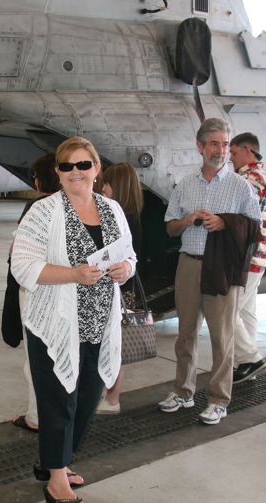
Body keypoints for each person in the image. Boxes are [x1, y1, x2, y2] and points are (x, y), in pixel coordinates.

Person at [11, 136, 136, 503]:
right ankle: (56, 478)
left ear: (97, 169)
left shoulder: (112, 209)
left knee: (87, 397)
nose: (75, 173)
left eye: (84, 165)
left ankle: (58, 460)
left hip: (100, 322)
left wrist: (125, 269)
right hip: (56, 324)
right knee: (58, 400)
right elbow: (23, 266)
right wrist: (72, 274)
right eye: (67, 167)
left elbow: (129, 254)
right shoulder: (43, 212)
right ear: (58, 173)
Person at [158, 118, 260, 425]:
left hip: (222, 269)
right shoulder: (185, 184)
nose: (220, 150)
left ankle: (218, 399)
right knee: (185, 334)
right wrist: (188, 220)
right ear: (200, 146)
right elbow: (170, 228)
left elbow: (256, 229)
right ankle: (183, 391)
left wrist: (225, 222)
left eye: (225, 144)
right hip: (189, 263)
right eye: (214, 143)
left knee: (222, 337)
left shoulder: (241, 187)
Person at [6, 153, 61, 433]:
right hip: (65, 290)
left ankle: (36, 417)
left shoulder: (36, 207)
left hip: (36, 288)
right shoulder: (74, 205)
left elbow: (16, 252)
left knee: (36, 358)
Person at [95, 162, 144, 415]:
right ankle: (109, 394)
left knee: (117, 345)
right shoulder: (130, 214)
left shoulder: (124, 218)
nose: (102, 188)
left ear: (119, 187)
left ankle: (113, 398)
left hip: (122, 290)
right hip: (124, 287)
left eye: (106, 183)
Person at [229, 132, 266, 382]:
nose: (230, 158)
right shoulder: (262, 177)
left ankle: (251, 358)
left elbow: (240, 218)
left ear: (248, 151)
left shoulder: (249, 179)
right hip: (256, 256)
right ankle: (245, 366)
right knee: (246, 313)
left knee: (228, 311)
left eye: (234, 153)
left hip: (246, 256)